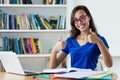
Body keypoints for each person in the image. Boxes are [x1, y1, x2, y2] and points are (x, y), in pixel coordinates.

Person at [50, 5, 113, 70]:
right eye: (76, 20)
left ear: (89, 17)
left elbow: (109, 64)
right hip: (74, 77)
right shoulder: (70, 41)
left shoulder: (99, 39)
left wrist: (98, 41)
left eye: (82, 18)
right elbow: (53, 66)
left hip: (90, 77)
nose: (79, 22)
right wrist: (54, 49)